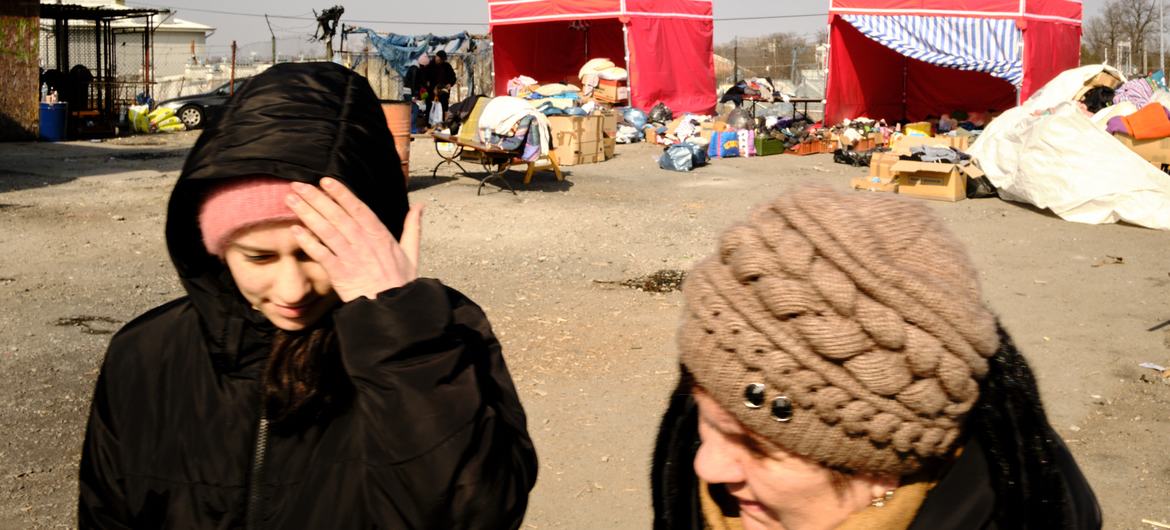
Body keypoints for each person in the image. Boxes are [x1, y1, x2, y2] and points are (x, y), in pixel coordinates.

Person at [78, 62, 538, 529]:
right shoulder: (146, 355)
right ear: (214, 249)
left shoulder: (441, 334)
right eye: (258, 257)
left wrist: (400, 336)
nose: (292, 290)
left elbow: (479, 514)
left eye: (317, 252)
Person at [651, 186, 1101, 530]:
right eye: (707, 418)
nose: (704, 465)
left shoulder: (1028, 499)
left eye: (756, 446)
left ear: (883, 472)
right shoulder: (701, 486)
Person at [432, 50, 458, 121]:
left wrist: (450, 83)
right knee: (433, 107)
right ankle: (432, 123)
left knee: (444, 107)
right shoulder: (431, 65)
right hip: (433, 91)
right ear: (436, 57)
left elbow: (453, 77)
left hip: (444, 91)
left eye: (442, 60)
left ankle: (443, 122)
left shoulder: (447, 66)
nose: (440, 61)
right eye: (439, 59)